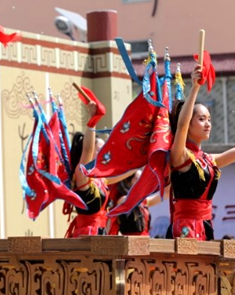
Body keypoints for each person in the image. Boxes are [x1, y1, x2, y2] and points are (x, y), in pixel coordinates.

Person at [168, 63, 235, 241]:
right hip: (184, 229)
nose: (208, 124)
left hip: (205, 225)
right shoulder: (180, 156)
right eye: (201, 119)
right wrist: (194, 88)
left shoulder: (209, 160)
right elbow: (182, 126)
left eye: (209, 119)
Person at [64, 101, 109, 237]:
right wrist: (93, 119)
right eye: (100, 150)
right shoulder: (81, 174)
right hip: (86, 237)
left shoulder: (100, 179)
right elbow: (88, 149)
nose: (104, 153)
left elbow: (123, 173)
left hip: (101, 236)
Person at [106, 169, 167, 236]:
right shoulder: (123, 200)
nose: (142, 183)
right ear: (127, 182)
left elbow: (165, 194)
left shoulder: (141, 201)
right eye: (139, 180)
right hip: (129, 243)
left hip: (144, 242)